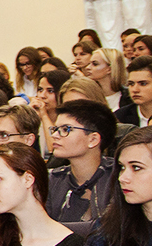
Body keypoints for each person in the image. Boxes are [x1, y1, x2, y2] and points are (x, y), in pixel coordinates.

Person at [46, 100, 117, 237]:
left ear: (93, 140)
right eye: (55, 129)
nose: (54, 135)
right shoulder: (52, 179)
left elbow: (110, 230)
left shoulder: (119, 177)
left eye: (65, 129)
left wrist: (51, 228)